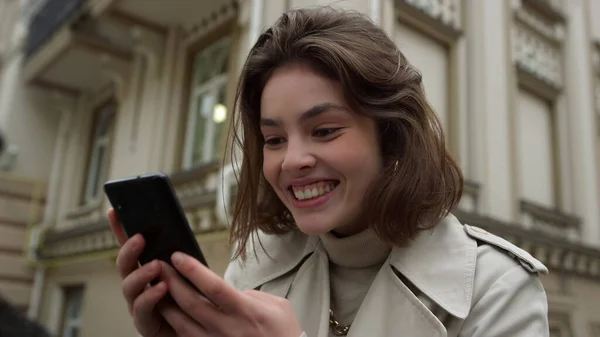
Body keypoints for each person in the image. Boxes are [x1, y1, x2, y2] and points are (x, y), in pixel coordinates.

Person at [108, 6, 550, 337]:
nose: (292, 160)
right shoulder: (255, 265)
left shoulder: (497, 289)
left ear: (391, 136)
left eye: (324, 130)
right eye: (274, 139)